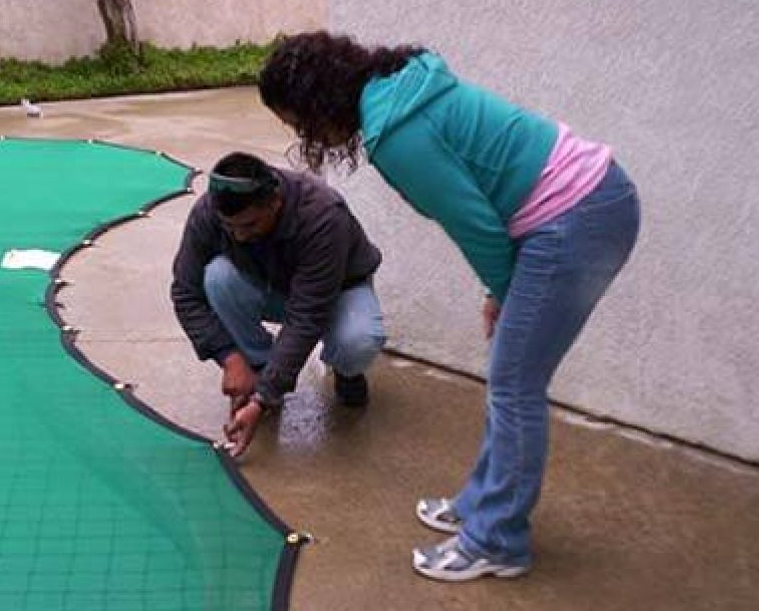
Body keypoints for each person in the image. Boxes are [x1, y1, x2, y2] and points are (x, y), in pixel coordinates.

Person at [259, 31, 641, 581]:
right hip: (577, 210)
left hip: (578, 218)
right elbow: (490, 205)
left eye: (299, 122)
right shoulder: (398, 89)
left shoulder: (396, 131)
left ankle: (498, 540)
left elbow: (477, 224)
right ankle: (481, 506)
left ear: (318, 100)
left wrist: (504, 293)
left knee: (515, 384)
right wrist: (501, 291)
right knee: (508, 376)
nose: (304, 135)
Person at [171, 151, 387, 457]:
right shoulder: (209, 210)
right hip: (270, 284)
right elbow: (185, 292)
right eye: (230, 228)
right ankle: (258, 364)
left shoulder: (323, 215)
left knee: (357, 341)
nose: (239, 236)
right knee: (217, 277)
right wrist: (230, 358)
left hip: (337, 291)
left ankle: (346, 371)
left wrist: (263, 399)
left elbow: (307, 315)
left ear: (275, 201)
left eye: (249, 225)